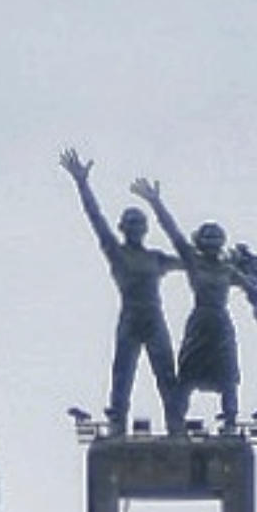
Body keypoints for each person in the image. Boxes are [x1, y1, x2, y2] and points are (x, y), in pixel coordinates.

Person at [60, 148, 184, 433]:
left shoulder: (156, 258)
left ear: (146, 228)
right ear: (123, 228)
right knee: (122, 375)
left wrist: (157, 203)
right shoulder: (117, 253)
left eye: (140, 223)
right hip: (130, 317)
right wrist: (82, 183)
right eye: (130, 224)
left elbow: (194, 263)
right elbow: (96, 218)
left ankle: (176, 425)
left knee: (166, 374)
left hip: (154, 319)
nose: (136, 228)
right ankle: (118, 423)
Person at [133, 177, 257, 431]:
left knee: (228, 375)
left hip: (220, 322)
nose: (212, 240)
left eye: (216, 236)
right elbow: (173, 232)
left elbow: (253, 288)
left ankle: (230, 420)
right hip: (200, 321)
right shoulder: (194, 262)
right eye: (207, 236)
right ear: (200, 240)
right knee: (188, 375)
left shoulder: (228, 269)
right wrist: (155, 202)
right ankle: (176, 421)